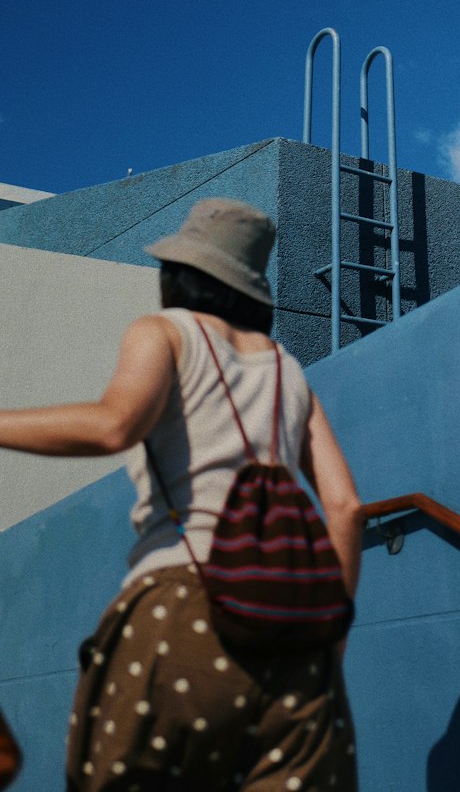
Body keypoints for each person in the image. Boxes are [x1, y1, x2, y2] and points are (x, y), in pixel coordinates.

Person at [0, 197, 364, 791]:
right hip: (299, 640)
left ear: (179, 271)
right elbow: (345, 509)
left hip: (182, 610)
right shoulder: (288, 371)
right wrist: (331, 644)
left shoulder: (164, 331)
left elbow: (115, 425)